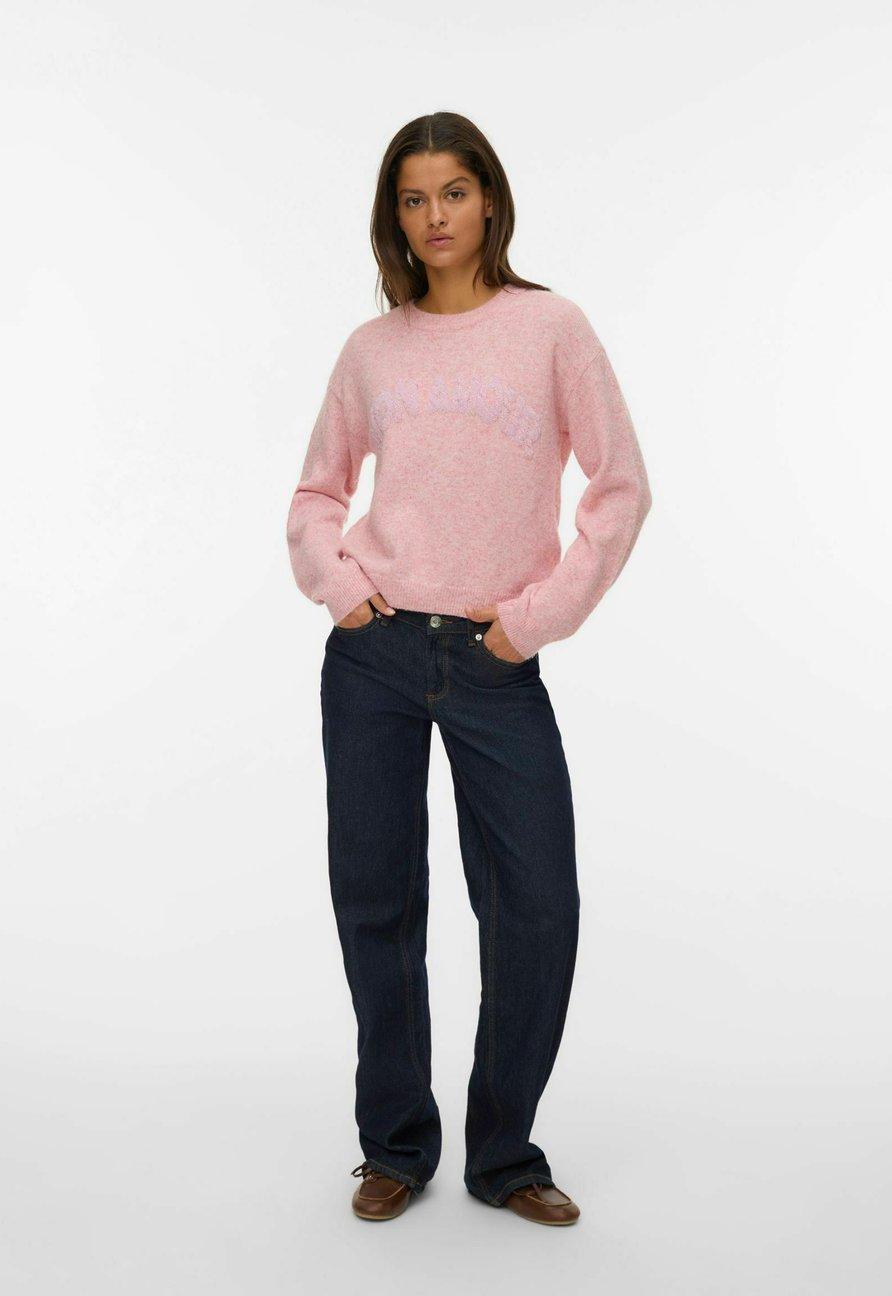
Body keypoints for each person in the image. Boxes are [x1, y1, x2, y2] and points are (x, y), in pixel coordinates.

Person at [286, 111, 652, 1226]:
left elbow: (620, 490)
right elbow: (316, 493)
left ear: (489, 197)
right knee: (378, 901)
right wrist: (341, 589)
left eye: (453, 191)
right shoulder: (374, 349)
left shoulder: (552, 329)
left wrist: (534, 620)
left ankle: (504, 1154)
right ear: (393, 216)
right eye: (413, 198)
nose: (434, 216)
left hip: (496, 660)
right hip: (376, 655)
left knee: (537, 905)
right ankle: (396, 1146)